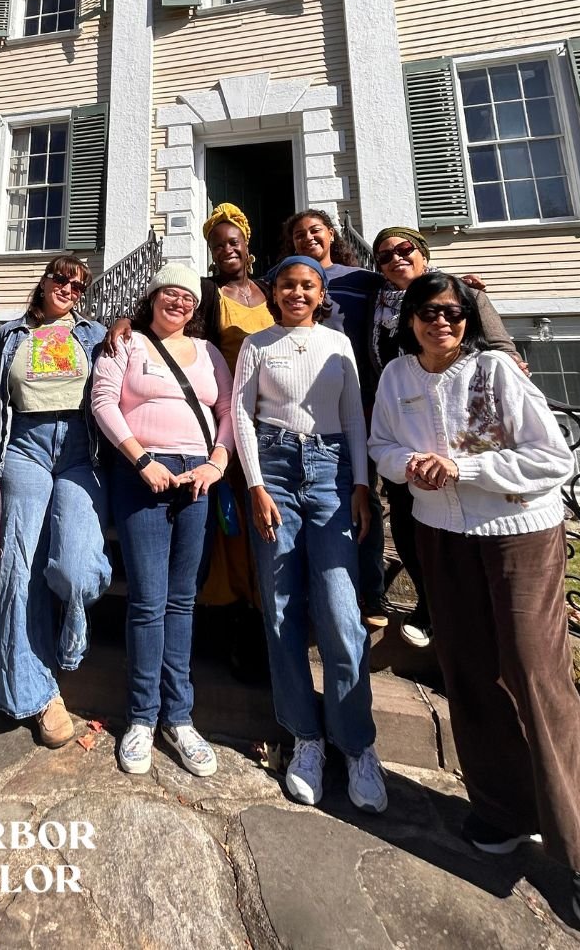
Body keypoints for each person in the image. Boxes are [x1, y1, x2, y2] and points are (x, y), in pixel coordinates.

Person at [369, 273, 580, 941]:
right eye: (429, 313)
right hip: (441, 533)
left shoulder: (496, 371)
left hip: (518, 533)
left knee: (537, 679)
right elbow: (381, 447)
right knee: (468, 670)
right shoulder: (397, 375)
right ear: (410, 320)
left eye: (453, 314)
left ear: (467, 319)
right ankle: (501, 807)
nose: (442, 324)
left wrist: (466, 471)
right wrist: (411, 468)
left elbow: (551, 459)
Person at [232, 255, 387, 814]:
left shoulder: (336, 343)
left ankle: (356, 741)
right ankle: (305, 737)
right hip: (273, 470)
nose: (297, 293)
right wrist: (254, 484)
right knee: (280, 608)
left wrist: (362, 485)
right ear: (273, 292)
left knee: (342, 609)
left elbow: (353, 419)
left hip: (331, 472)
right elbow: (242, 414)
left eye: (308, 286)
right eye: (288, 286)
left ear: (321, 293)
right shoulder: (258, 343)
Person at [341, 226, 520, 650]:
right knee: (406, 514)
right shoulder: (377, 301)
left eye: (404, 250)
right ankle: (430, 599)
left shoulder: (460, 294)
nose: (395, 259)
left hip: (459, 418)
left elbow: (501, 348)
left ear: (421, 252)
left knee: (468, 510)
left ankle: (473, 614)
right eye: (384, 256)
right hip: (405, 416)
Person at [91, 263, 234, 777]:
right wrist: (140, 460)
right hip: (143, 475)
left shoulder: (210, 353)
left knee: (182, 600)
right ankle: (141, 718)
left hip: (196, 479)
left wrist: (216, 463)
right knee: (149, 601)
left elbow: (229, 414)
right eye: (170, 294)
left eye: (188, 299)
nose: (179, 303)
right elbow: (103, 401)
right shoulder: (126, 345)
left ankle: (180, 716)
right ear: (152, 298)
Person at [0, 255, 111, 748]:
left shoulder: (95, 334)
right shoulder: (9, 336)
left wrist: (124, 324)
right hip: (24, 448)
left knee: (75, 569)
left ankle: (71, 634)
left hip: (81, 451)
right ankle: (36, 694)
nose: (69, 288)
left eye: (79, 285)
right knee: (18, 567)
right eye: (61, 278)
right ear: (43, 282)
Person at [278, 209, 388, 630]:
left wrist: (464, 291)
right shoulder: (284, 277)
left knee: (365, 494)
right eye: (300, 234)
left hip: (360, 402)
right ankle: (316, 587)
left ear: (331, 235)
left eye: (316, 231)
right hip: (305, 411)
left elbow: (409, 291)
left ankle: (369, 590)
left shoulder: (362, 279)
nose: (308, 239)